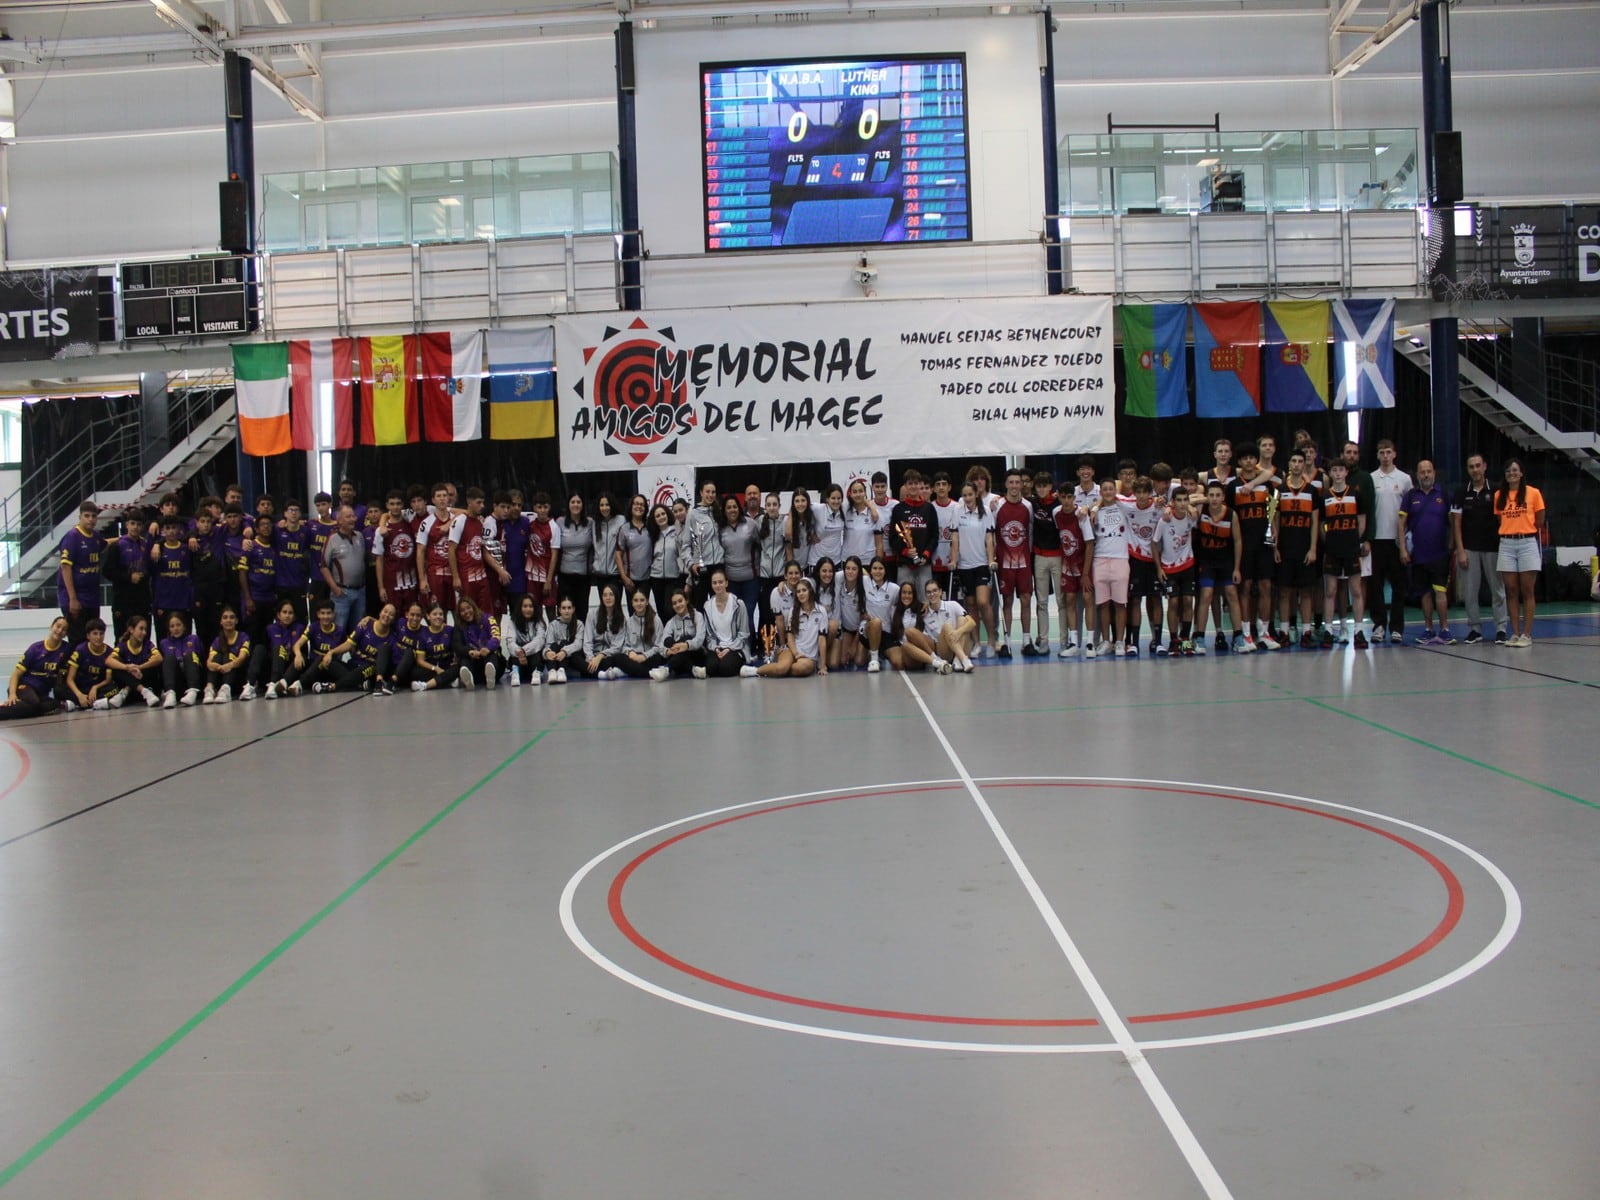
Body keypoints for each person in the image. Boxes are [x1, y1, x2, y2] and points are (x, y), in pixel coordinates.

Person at [1452, 453, 1508, 645]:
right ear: (1467, 470)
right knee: (1470, 592)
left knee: (1498, 590)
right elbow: (1456, 523)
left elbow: (1504, 519)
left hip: (1493, 548)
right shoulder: (1461, 492)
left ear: (1485, 466)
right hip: (1469, 549)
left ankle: (1501, 628)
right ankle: (1475, 629)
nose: (1475, 470)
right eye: (1471, 467)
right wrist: (1460, 550)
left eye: (1478, 466)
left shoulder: (1498, 490)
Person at [1397, 459, 1455, 644]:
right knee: (1424, 593)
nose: (1426, 475)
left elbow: (1453, 522)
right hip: (1418, 555)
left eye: (1429, 471)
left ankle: (1445, 629)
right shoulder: (1410, 496)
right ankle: (1428, 629)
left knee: (1440, 592)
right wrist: (1403, 549)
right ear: (1417, 475)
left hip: (1439, 554)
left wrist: (1452, 546)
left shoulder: (1444, 494)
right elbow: (1401, 524)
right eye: (1422, 472)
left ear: (1434, 473)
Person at [1194, 481, 1251, 654]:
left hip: (1226, 561)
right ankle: (1200, 638)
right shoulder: (1201, 511)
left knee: (1232, 593)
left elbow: (1238, 541)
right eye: (1211, 495)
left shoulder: (1231, 515)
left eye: (1218, 495)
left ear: (1224, 497)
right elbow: (1183, 501)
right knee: (1207, 595)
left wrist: (1236, 568)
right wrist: (1204, 499)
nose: (1214, 499)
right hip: (1206, 561)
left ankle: (1239, 636)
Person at [1271, 451, 1320, 648]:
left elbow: (1315, 522)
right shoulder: (1278, 490)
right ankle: (1284, 631)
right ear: (1289, 464)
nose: (1298, 464)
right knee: (1284, 592)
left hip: (1304, 548)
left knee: (1306, 592)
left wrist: (1313, 548)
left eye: (1301, 461)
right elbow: (1273, 521)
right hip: (1284, 547)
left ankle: (1306, 631)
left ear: (1305, 463)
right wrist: (1275, 547)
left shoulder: (1312, 491)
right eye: (1294, 461)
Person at [1494, 458, 1545, 647]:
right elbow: (1500, 520)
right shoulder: (1499, 495)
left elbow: (1539, 519)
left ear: (1521, 473)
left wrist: (1525, 529)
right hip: (1507, 543)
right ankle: (1515, 633)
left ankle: (1527, 634)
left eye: (1515, 470)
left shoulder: (1533, 493)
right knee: (1511, 590)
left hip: (1527, 542)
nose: (1511, 473)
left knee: (1527, 589)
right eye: (1508, 471)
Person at [1319, 458, 1369, 649]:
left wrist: (1354, 541)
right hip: (1332, 549)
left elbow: (1362, 521)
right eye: (1334, 470)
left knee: (1355, 590)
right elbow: (1322, 526)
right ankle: (1328, 630)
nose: (1338, 473)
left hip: (1351, 549)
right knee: (1330, 590)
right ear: (1330, 474)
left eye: (1341, 470)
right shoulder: (1325, 496)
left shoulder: (1356, 494)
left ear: (1346, 473)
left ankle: (1358, 631)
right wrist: (1329, 541)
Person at [1368, 440, 1412, 643]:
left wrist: (1405, 541)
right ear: (1377, 455)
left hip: (1396, 541)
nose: (1385, 456)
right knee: (1375, 586)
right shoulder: (1371, 478)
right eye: (1381, 452)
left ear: (1394, 454)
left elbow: (1410, 511)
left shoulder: (1404, 479)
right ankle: (1379, 625)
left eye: (1388, 452)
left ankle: (1397, 627)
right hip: (1376, 540)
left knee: (1398, 586)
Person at [948, 481, 997, 657]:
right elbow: (955, 538)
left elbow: (989, 539)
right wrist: (953, 560)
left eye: (970, 494)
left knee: (983, 602)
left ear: (976, 494)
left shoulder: (986, 513)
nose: (967, 498)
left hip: (982, 565)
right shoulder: (957, 511)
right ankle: (976, 643)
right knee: (971, 605)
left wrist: (991, 559)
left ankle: (991, 640)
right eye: (965, 495)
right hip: (964, 566)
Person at [992, 469, 1034, 657]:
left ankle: (1026, 640)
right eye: (1012, 482)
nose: (1015, 486)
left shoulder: (1027, 506)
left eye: (1018, 482)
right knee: (1007, 601)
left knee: (1026, 599)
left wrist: (1028, 554)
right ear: (1006, 484)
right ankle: (1007, 642)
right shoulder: (998, 505)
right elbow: (992, 533)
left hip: (1024, 562)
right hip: (1004, 562)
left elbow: (1030, 532)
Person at [0, 615, 72, 720]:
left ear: (66, 634)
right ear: (52, 627)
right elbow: (16, 674)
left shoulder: (66, 650)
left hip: (41, 693)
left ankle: (18, 707)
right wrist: (12, 694)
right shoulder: (35, 648)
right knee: (34, 704)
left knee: (53, 705)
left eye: (64, 629)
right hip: (24, 688)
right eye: (58, 626)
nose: (60, 630)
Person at [1152, 488, 1197, 656]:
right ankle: (1174, 641)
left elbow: (1204, 498)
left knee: (1187, 601)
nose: (1183, 503)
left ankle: (1185, 639)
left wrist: (1193, 507)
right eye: (1179, 500)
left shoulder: (1191, 517)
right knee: (1173, 603)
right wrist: (1158, 568)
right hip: (1169, 568)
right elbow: (1154, 543)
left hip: (1188, 565)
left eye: (1186, 500)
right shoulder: (1165, 520)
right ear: (1173, 502)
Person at [58, 501, 109, 644]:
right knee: (78, 641)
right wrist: (72, 599)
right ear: (79, 517)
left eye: (94, 516)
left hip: (92, 599)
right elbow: (65, 568)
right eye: (87, 516)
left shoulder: (95, 537)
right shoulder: (72, 537)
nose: (90, 519)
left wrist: (125, 539)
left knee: (93, 639)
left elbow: (105, 544)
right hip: (76, 600)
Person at [1090, 478, 1131, 657]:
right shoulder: (1095, 511)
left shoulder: (1124, 506)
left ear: (1115, 490)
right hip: (1100, 560)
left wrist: (1094, 506)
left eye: (1110, 489)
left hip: (1120, 559)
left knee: (1120, 603)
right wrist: (1093, 508)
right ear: (1100, 492)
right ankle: (1106, 641)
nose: (1107, 492)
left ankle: (1120, 641)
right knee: (1103, 604)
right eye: (1104, 489)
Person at [1054, 488, 1097, 657]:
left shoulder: (1081, 515)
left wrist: (1085, 574)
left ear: (1074, 497)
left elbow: (1090, 544)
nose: (1066, 500)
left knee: (1087, 598)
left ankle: (1090, 643)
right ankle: (1073, 643)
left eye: (1069, 497)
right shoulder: (1056, 513)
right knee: (1069, 600)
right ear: (1059, 497)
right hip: (1067, 564)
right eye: (1063, 496)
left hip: (1083, 564)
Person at [756, 576, 827, 678]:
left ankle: (776, 671)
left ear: (811, 591)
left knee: (800, 668)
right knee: (781, 668)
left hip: (809, 657)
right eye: (798, 591)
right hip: (792, 651)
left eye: (804, 590)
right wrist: (796, 654)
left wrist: (823, 666)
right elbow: (790, 637)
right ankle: (753, 671)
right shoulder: (793, 611)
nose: (801, 594)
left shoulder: (821, 611)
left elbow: (822, 639)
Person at [1027, 472, 1064, 656]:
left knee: (1061, 600)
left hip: (1058, 557)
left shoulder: (1059, 505)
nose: (1042, 489)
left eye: (1045, 486)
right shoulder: (1032, 504)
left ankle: (1064, 641)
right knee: (1042, 601)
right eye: (1039, 486)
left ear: (1051, 487)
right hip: (1039, 557)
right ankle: (1044, 640)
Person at [717, 494, 762, 643]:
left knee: (748, 612)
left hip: (751, 578)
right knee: (734, 614)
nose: (732, 510)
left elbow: (761, 546)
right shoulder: (720, 528)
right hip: (731, 580)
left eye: (735, 507)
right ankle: (737, 647)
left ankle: (751, 645)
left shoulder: (750, 524)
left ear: (740, 508)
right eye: (728, 507)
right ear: (724, 510)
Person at [106, 509, 152, 641]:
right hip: (122, 601)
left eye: (138, 524)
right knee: (122, 638)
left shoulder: (145, 545)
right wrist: (128, 577)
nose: (135, 527)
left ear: (142, 526)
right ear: (127, 525)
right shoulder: (117, 545)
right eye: (132, 523)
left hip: (142, 601)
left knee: (144, 638)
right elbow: (108, 571)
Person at [321, 504, 369, 633]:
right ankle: (336, 654)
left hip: (360, 591)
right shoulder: (332, 539)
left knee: (359, 630)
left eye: (353, 516)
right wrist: (335, 588)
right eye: (348, 517)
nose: (353, 519)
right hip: (342, 593)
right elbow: (323, 566)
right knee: (338, 630)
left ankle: (356, 654)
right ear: (339, 520)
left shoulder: (359, 536)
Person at [373, 491, 420, 616]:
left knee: (413, 617)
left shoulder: (411, 523)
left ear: (402, 505)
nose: (395, 507)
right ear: (387, 506)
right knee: (392, 618)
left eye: (398, 504)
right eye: (392, 504)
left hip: (412, 582)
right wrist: (381, 587)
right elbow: (379, 559)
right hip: (392, 583)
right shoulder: (380, 531)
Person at [702, 567, 754, 678]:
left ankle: (743, 663)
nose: (718, 585)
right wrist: (715, 648)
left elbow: (744, 634)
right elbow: (709, 635)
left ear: (726, 583)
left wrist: (729, 648)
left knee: (726, 668)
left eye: (720, 582)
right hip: (717, 647)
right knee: (711, 668)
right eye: (714, 583)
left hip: (735, 647)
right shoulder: (707, 606)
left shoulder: (738, 604)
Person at [416, 483, 458, 615]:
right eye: (438, 496)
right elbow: (420, 551)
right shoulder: (426, 523)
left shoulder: (458, 520)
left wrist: (449, 524)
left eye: (445, 496)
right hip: (435, 575)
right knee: (438, 612)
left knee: (459, 611)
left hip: (454, 574)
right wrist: (422, 579)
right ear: (433, 500)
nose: (442, 499)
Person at [103, 613, 163, 708]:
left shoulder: (148, 644)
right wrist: (127, 667)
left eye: (145, 629)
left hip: (145, 682)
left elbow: (159, 658)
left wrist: (139, 667)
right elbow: (108, 661)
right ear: (131, 629)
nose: (144, 632)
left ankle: (127, 690)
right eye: (141, 628)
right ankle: (143, 691)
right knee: (117, 667)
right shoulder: (122, 646)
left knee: (150, 665)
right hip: (139, 691)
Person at [249, 600, 305, 700]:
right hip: (273, 665)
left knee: (301, 657)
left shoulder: (300, 628)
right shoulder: (270, 628)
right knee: (259, 648)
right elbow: (265, 650)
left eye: (290, 613)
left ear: (294, 616)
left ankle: (277, 684)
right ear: (278, 615)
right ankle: (250, 685)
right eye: (284, 612)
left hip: (290, 666)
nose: (287, 615)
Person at [919, 578, 977, 673]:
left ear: (941, 592)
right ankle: (964, 660)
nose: (932, 594)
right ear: (926, 595)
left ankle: (958, 660)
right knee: (947, 626)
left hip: (960, 643)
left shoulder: (952, 604)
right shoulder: (924, 614)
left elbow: (972, 623)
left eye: (935, 591)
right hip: (944, 650)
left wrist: (959, 632)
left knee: (962, 619)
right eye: (929, 592)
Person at [683, 480, 725, 607]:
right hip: (701, 568)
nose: (710, 495)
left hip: (718, 566)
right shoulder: (693, 514)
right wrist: (691, 564)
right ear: (701, 493)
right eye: (707, 491)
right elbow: (685, 545)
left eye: (713, 492)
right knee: (700, 606)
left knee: (719, 606)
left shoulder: (718, 512)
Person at [611, 588, 669, 681]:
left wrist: (644, 656)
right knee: (618, 658)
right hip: (634, 656)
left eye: (642, 600)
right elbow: (625, 644)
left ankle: (627, 671)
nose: (639, 603)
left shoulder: (656, 620)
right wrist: (630, 653)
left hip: (650, 657)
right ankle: (650, 673)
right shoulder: (629, 622)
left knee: (660, 657)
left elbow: (659, 646)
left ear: (647, 602)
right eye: (636, 600)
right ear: (632, 603)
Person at [556, 491, 597, 621]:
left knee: (582, 609)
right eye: (573, 502)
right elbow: (556, 548)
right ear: (568, 505)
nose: (576, 505)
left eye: (578, 502)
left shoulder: (590, 523)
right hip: (564, 575)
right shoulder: (560, 522)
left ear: (583, 505)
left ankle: (580, 639)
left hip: (583, 576)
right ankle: (565, 638)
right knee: (565, 610)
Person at [272, 499, 313, 623]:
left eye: (296, 510)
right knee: (281, 619)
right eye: (291, 510)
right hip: (281, 584)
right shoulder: (277, 530)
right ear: (285, 513)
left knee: (300, 619)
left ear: (300, 514)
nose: (293, 513)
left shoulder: (306, 531)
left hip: (299, 584)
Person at [63, 617, 116, 711]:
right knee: (59, 690)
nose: (98, 637)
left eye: (101, 634)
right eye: (95, 634)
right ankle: (91, 703)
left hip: (97, 689)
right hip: (81, 688)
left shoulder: (109, 652)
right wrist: (79, 695)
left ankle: (80, 704)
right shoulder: (80, 650)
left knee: (116, 688)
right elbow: (70, 679)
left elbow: (108, 680)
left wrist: (95, 687)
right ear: (88, 636)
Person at [406, 602, 459, 692]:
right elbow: (420, 660)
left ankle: (425, 685)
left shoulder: (450, 630)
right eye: (434, 614)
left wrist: (457, 660)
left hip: (448, 667)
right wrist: (435, 668)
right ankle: (448, 680)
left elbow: (457, 649)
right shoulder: (423, 634)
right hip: (432, 669)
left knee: (457, 668)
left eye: (440, 614)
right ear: (428, 616)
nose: (438, 617)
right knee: (414, 673)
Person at [202, 605, 251, 703]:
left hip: (237, 678)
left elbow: (242, 658)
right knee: (217, 656)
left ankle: (226, 689)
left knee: (228, 655)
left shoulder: (243, 637)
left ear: (236, 620)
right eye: (225, 617)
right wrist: (214, 665)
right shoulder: (217, 640)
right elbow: (209, 661)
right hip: (221, 674)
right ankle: (210, 689)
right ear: (221, 621)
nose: (228, 620)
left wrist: (229, 665)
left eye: (232, 617)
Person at [452, 597, 503, 689]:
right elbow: (457, 646)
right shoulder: (458, 626)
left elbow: (496, 636)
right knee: (464, 659)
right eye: (462, 610)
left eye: (468, 608)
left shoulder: (488, 618)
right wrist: (469, 652)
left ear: (474, 607)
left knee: (493, 654)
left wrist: (488, 648)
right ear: (459, 614)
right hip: (474, 662)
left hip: (490, 658)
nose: (466, 612)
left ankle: (491, 678)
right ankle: (468, 680)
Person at [884, 580, 933, 672]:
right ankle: (933, 661)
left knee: (910, 632)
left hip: (921, 645)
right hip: (905, 648)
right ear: (900, 595)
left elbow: (935, 604)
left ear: (914, 595)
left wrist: (928, 604)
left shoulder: (922, 608)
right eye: (904, 593)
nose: (907, 596)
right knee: (900, 659)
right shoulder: (893, 609)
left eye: (910, 593)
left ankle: (933, 657)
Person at [581, 582, 627, 680]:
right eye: (605, 595)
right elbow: (587, 641)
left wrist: (601, 656)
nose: (608, 598)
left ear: (616, 597)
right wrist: (591, 658)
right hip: (592, 656)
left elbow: (617, 647)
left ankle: (593, 672)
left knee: (620, 658)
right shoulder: (592, 614)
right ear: (601, 598)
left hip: (608, 657)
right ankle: (603, 674)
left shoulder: (621, 619)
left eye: (611, 594)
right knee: (576, 657)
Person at [157, 612, 203, 706]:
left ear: (184, 626)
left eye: (178, 625)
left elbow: (202, 660)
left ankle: (192, 692)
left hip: (194, 680)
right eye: (172, 626)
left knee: (189, 655)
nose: (176, 628)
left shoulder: (194, 639)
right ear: (169, 629)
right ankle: (170, 694)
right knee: (169, 657)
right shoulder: (164, 643)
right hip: (177, 683)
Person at [660, 588, 707, 679]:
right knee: (668, 641)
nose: (678, 605)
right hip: (678, 658)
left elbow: (700, 640)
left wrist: (686, 645)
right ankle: (693, 670)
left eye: (680, 601)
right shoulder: (671, 622)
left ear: (687, 600)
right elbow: (661, 644)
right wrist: (667, 651)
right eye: (674, 603)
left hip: (696, 655)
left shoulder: (698, 616)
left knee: (686, 638)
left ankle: (666, 668)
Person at [646, 502, 682, 619]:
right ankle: (666, 636)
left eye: (663, 514)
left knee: (670, 609)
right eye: (658, 516)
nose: (661, 517)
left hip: (673, 578)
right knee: (661, 610)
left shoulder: (677, 531)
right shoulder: (652, 535)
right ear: (654, 519)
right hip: (656, 578)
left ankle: (674, 635)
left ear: (668, 514)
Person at [616, 494, 654, 602]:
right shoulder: (624, 529)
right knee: (633, 612)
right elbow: (618, 554)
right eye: (636, 504)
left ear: (645, 509)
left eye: (642, 505)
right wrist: (624, 577)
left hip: (647, 579)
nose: (639, 507)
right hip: (630, 580)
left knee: (645, 610)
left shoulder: (650, 527)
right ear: (631, 506)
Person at [540, 596, 584, 685]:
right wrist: (547, 653)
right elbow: (548, 644)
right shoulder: (553, 624)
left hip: (571, 657)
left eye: (569, 608)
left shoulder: (579, 624)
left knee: (564, 643)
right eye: (564, 608)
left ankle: (561, 670)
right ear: (559, 610)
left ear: (573, 609)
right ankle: (552, 671)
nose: (566, 611)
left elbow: (579, 644)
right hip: (555, 657)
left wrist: (565, 651)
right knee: (553, 646)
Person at [592, 492, 626, 606]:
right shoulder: (593, 523)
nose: (604, 508)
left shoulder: (621, 520)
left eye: (607, 504)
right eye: (602, 505)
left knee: (615, 607)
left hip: (615, 574)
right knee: (603, 607)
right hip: (600, 574)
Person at [505, 594, 546, 686]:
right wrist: (519, 651)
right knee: (514, 652)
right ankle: (515, 672)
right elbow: (510, 641)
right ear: (520, 608)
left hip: (533, 658)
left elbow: (540, 640)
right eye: (525, 606)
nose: (528, 609)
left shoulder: (539, 622)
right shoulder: (513, 621)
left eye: (531, 606)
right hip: (519, 658)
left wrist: (524, 651)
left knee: (538, 652)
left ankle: (536, 673)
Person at [785, 488, 819, 575]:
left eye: (803, 500)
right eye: (797, 501)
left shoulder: (812, 518)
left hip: (808, 565)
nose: (800, 504)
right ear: (793, 503)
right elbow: (788, 547)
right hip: (794, 566)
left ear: (808, 502)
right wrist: (792, 569)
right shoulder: (787, 521)